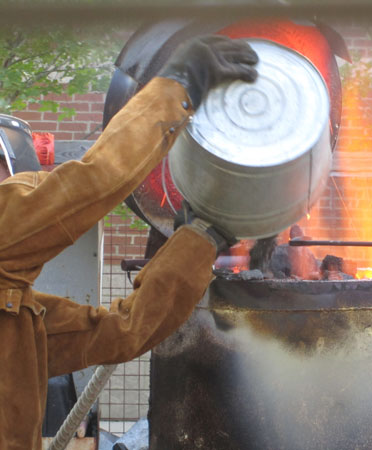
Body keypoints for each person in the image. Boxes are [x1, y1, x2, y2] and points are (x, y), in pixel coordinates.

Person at [0, 35, 258, 449]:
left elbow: (125, 330)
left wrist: (201, 238)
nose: (17, 194)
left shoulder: (18, 323)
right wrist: (179, 86)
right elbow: (93, 181)